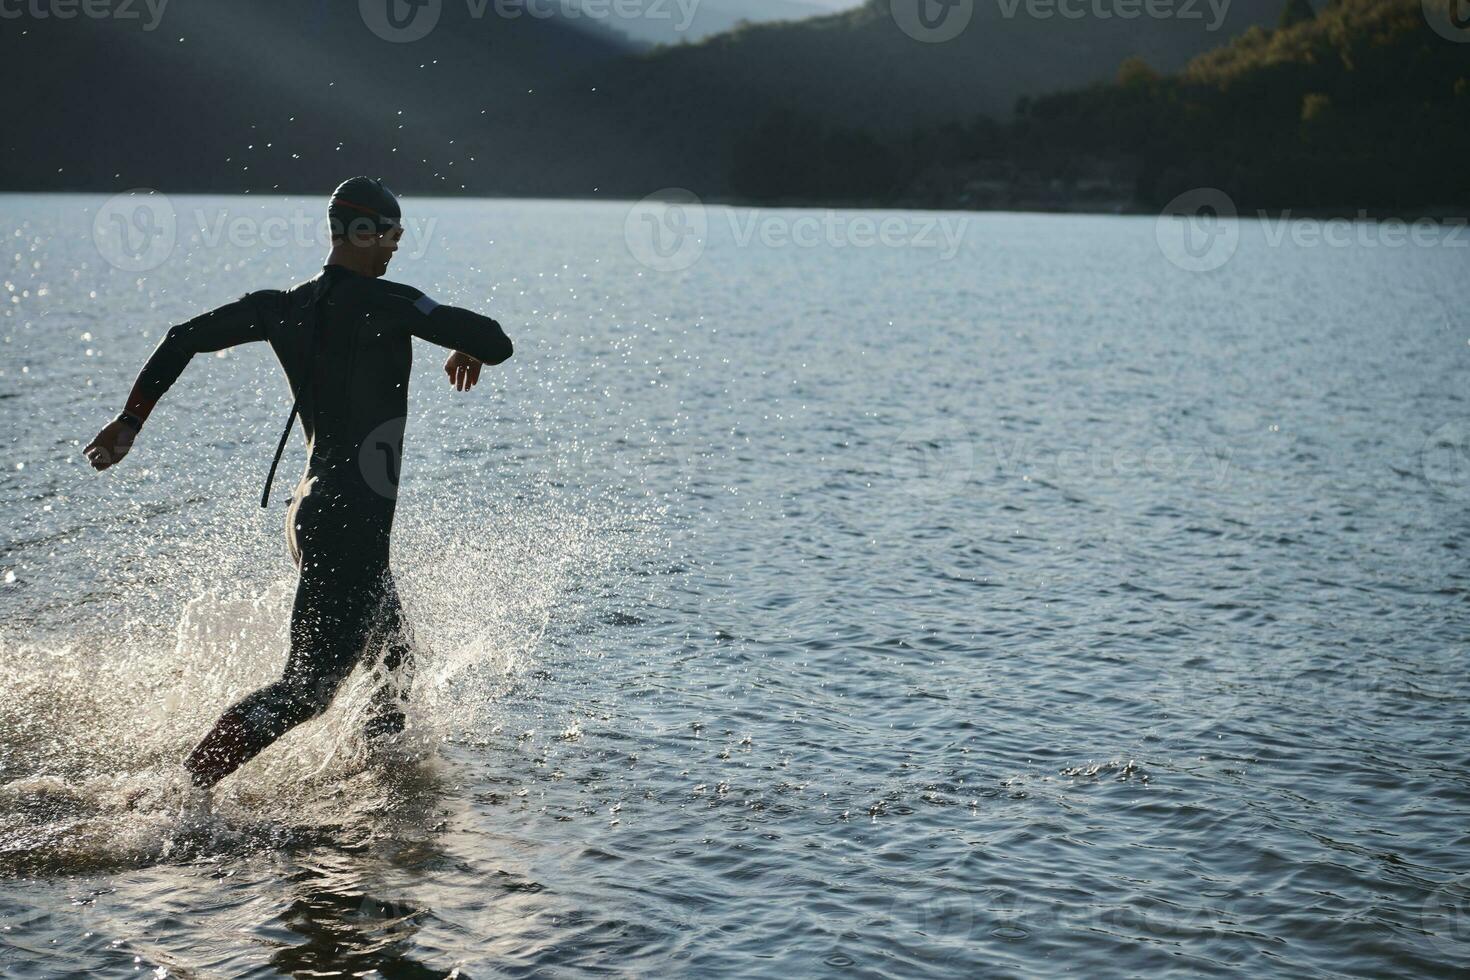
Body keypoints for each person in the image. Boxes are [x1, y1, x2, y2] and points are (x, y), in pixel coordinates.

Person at [84, 177, 513, 789]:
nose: (394, 248)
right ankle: (179, 792)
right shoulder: (392, 303)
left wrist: (130, 421)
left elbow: (183, 337)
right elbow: (497, 341)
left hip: (311, 512)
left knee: (394, 660)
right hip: (352, 518)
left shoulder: (281, 307)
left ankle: (377, 786)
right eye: (391, 235)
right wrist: (468, 345)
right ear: (365, 233)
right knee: (307, 690)